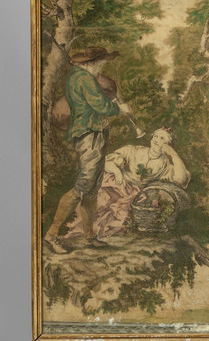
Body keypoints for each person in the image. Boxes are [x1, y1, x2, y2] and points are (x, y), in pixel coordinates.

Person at [44, 46, 133, 253]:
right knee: (82, 187)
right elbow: (100, 105)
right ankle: (51, 235)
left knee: (92, 189)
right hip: (89, 135)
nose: (102, 67)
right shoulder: (84, 78)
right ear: (92, 63)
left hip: (95, 133)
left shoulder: (81, 77)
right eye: (101, 63)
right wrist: (120, 108)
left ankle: (89, 237)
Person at [65, 127, 191, 239]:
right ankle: (86, 231)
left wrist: (173, 154)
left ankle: (95, 234)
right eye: (155, 136)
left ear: (168, 145)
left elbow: (181, 180)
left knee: (120, 217)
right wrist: (117, 172)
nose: (156, 139)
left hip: (133, 193)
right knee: (101, 198)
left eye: (162, 138)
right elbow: (106, 162)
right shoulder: (135, 151)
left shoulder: (165, 164)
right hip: (118, 183)